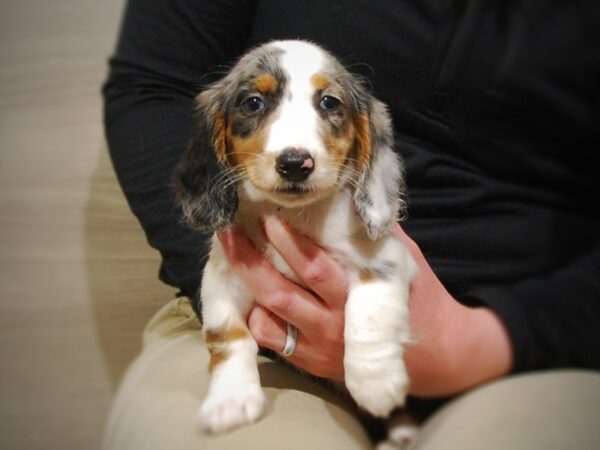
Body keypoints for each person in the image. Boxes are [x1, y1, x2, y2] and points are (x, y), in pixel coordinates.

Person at [101, 1, 600, 449]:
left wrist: (479, 342)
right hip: (258, 337)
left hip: (532, 345)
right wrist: (247, 272)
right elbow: (152, 84)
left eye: (328, 105)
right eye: (256, 104)